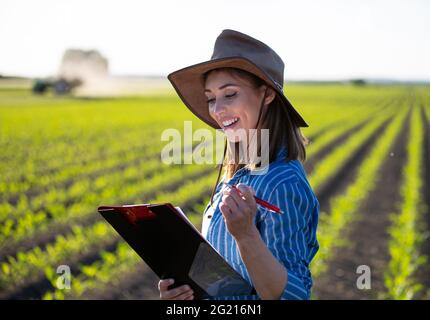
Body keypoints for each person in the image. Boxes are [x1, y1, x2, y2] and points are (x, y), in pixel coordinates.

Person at [158, 29, 319, 300]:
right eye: (211, 98)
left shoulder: (281, 183)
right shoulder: (236, 174)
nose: (217, 110)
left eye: (229, 94)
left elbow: (294, 297)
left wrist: (246, 236)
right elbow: (230, 282)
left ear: (267, 95)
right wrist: (188, 293)